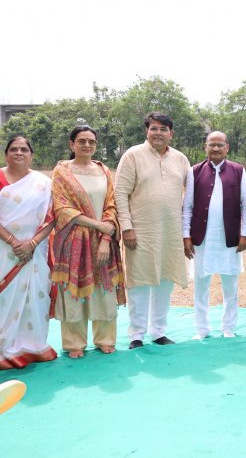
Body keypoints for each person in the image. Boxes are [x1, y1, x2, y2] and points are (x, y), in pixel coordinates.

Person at [115, 112, 190, 349]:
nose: (158, 133)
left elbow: (191, 194)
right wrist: (126, 227)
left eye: (163, 129)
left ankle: (159, 331)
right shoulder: (132, 156)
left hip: (170, 231)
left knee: (164, 280)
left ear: (171, 133)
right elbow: (120, 193)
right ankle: (136, 334)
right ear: (147, 131)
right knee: (140, 281)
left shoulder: (180, 159)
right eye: (154, 128)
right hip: (140, 231)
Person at [51, 125, 125, 358]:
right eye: (81, 141)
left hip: (104, 242)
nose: (87, 145)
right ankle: (74, 343)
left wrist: (105, 238)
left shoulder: (103, 171)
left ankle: (105, 339)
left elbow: (111, 206)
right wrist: (97, 225)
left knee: (104, 288)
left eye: (91, 141)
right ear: (71, 144)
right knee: (74, 289)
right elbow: (62, 208)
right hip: (73, 241)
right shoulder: (62, 172)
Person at [183, 131, 246, 339]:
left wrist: (245, 233)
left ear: (227, 147)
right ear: (205, 147)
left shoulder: (238, 171)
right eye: (211, 145)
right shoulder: (194, 171)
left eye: (219, 145)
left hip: (228, 237)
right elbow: (187, 206)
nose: (215, 148)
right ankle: (202, 329)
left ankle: (228, 327)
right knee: (201, 284)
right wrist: (186, 235)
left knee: (230, 285)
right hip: (201, 238)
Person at [0, 137, 57, 369]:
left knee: (36, 297)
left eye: (24, 149)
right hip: (4, 250)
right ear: (6, 154)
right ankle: (4, 348)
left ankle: (32, 346)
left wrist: (31, 244)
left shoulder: (43, 183)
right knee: (5, 299)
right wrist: (13, 242)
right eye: (14, 149)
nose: (19, 152)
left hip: (35, 251)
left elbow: (52, 217)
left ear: (31, 155)